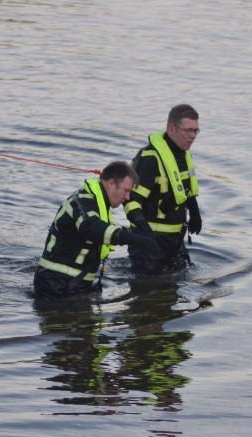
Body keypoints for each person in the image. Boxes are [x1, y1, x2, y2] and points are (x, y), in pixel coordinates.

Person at [33, 161, 158, 299]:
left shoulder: (99, 204)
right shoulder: (82, 200)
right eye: (126, 191)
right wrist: (135, 240)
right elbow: (92, 227)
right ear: (111, 184)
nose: (128, 198)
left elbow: (106, 228)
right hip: (55, 283)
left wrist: (143, 233)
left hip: (74, 283)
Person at [124, 104, 202, 274]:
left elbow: (184, 190)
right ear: (171, 129)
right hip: (149, 244)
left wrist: (195, 213)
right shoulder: (149, 159)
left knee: (173, 293)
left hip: (175, 242)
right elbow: (130, 201)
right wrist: (146, 233)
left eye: (196, 131)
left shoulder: (184, 155)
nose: (192, 136)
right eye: (188, 130)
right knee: (149, 293)